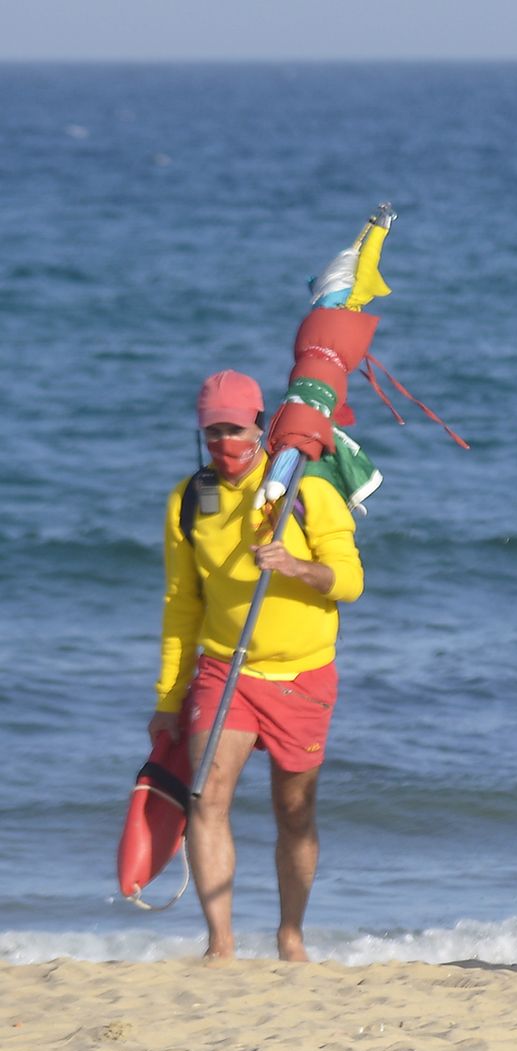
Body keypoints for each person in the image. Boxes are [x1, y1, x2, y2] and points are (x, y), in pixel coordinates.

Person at [148, 370, 364, 961]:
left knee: (294, 813)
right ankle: (220, 944)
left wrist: (295, 565)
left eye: (236, 430)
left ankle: (290, 934)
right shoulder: (190, 500)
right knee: (206, 798)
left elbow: (350, 581)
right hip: (225, 670)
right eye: (213, 432)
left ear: (261, 427)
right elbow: (181, 605)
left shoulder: (305, 489)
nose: (225, 443)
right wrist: (168, 698)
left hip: (301, 675)